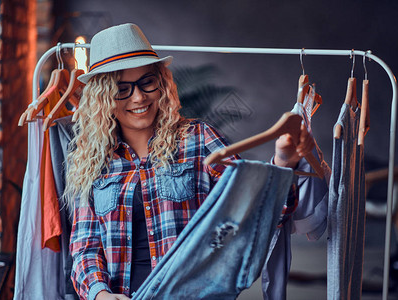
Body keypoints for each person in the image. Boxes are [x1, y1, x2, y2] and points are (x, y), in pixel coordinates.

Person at [64, 23, 324, 300]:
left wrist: (283, 163)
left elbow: (255, 213)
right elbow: (85, 248)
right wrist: (99, 294)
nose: (138, 97)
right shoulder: (92, 161)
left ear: (160, 83)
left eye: (146, 82)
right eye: (122, 89)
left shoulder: (198, 140)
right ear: (104, 98)